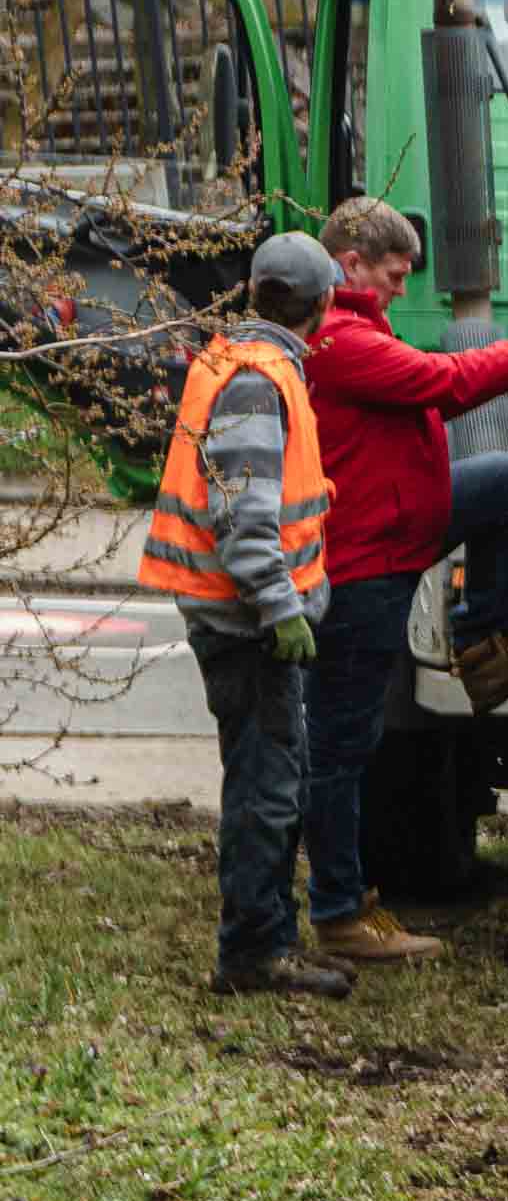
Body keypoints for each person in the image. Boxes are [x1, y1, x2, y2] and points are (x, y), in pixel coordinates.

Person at [297, 198, 508, 969]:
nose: (401, 288)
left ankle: (481, 643)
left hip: (405, 527)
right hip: (367, 566)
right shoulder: (338, 338)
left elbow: (430, 376)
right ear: (352, 262)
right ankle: (337, 912)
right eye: (393, 275)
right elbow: (446, 382)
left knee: (504, 481)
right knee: (343, 744)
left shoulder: (356, 326)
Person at [138, 233, 350, 1000]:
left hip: (238, 614)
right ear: (322, 305)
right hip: (248, 623)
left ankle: (264, 939)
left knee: (263, 778)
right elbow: (246, 520)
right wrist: (282, 609)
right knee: (267, 786)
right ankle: (255, 952)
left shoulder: (237, 362)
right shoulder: (260, 383)